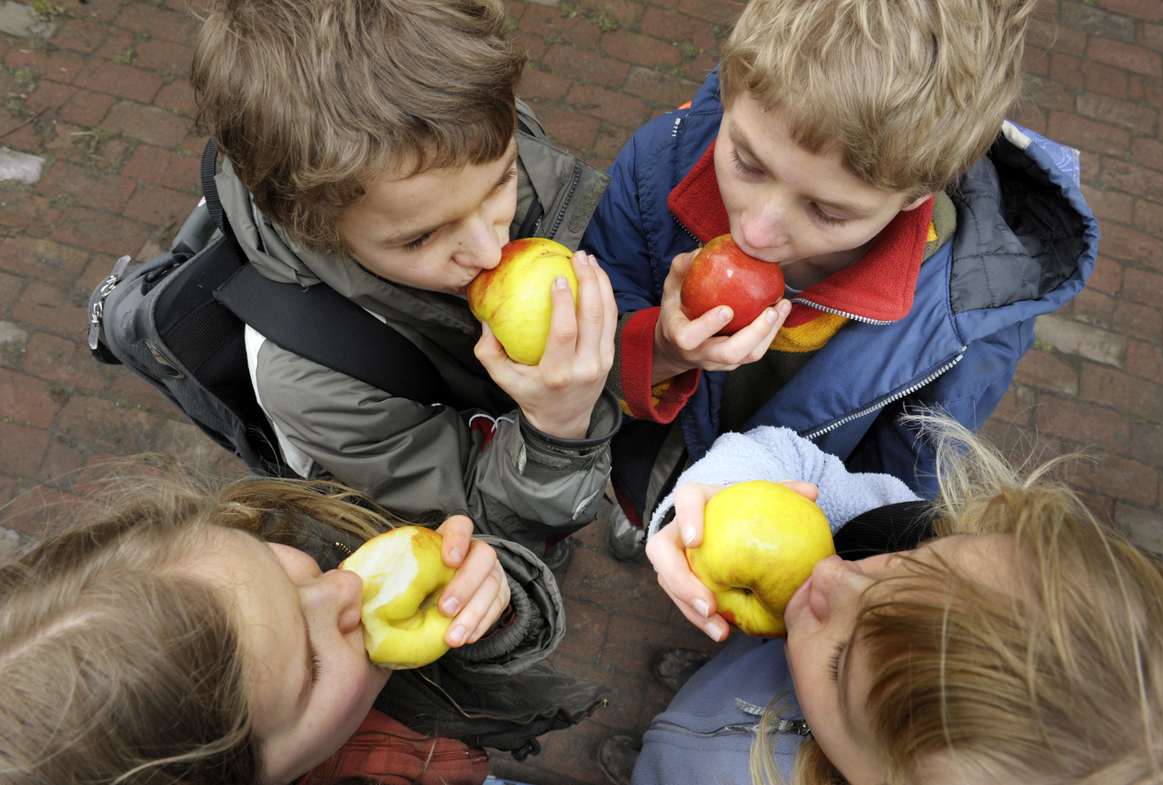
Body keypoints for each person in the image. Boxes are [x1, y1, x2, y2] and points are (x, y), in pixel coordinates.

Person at [580, 0, 1099, 559]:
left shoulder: (966, 324)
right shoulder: (661, 162)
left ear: (918, 195)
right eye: (747, 164)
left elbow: (900, 492)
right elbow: (591, 324)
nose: (755, 231)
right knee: (649, 506)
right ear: (732, 96)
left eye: (827, 212)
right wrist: (661, 349)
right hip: (648, 455)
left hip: (777, 537)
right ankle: (649, 512)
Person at [191, 0, 620, 559]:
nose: (490, 252)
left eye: (502, 181)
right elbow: (473, 524)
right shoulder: (314, 381)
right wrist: (557, 432)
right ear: (314, 229)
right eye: (420, 238)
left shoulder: (454, 121)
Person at [594, 416, 1163, 785]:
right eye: (909, 563)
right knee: (740, 657)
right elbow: (792, 459)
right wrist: (725, 497)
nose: (833, 576)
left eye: (842, 661)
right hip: (745, 668)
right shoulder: (903, 525)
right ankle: (698, 684)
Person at [0, 458, 610, 784]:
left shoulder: (296, 538)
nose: (341, 584)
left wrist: (488, 609)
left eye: (274, 564)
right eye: (312, 670)